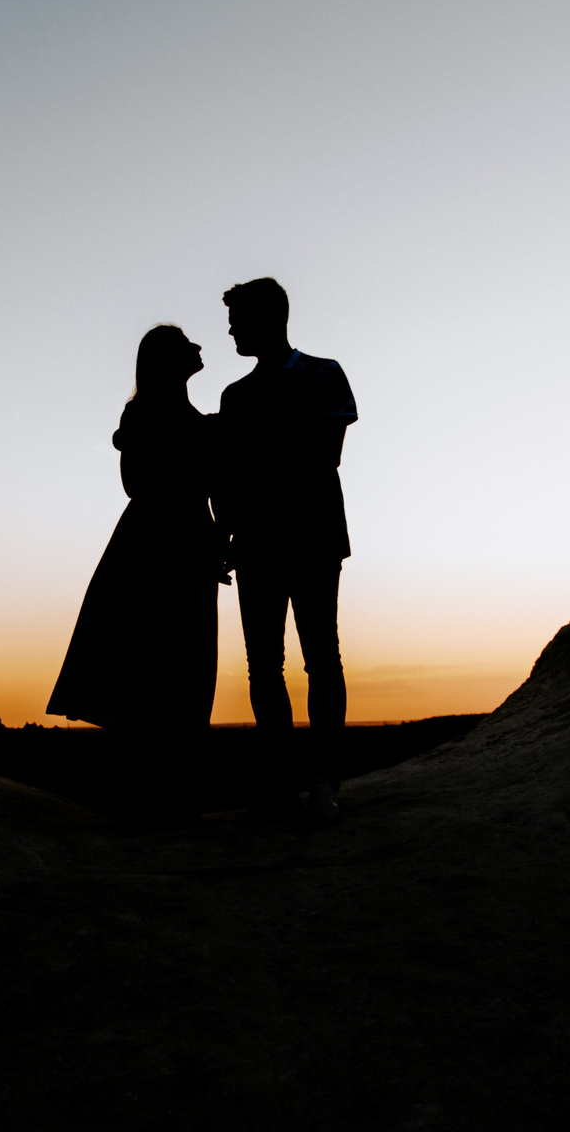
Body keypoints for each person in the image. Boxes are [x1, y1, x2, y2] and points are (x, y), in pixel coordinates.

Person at [46, 326, 223, 800]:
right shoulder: (144, 413)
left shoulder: (199, 421)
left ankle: (173, 789)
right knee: (152, 662)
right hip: (153, 545)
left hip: (187, 540)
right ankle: (154, 792)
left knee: (189, 663)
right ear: (168, 360)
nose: (199, 347)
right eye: (187, 343)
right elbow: (136, 484)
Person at [214, 277, 357, 825]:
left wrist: (256, 468)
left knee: (321, 658)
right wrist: (225, 531)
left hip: (314, 535)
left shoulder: (324, 373)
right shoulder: (235, 395)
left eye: (238, 319)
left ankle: (324, 781)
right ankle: (280, 785)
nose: (229, 329)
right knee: (263, 667)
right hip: (255, 542)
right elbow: (227, 475)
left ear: (269, 318)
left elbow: (326, 455)